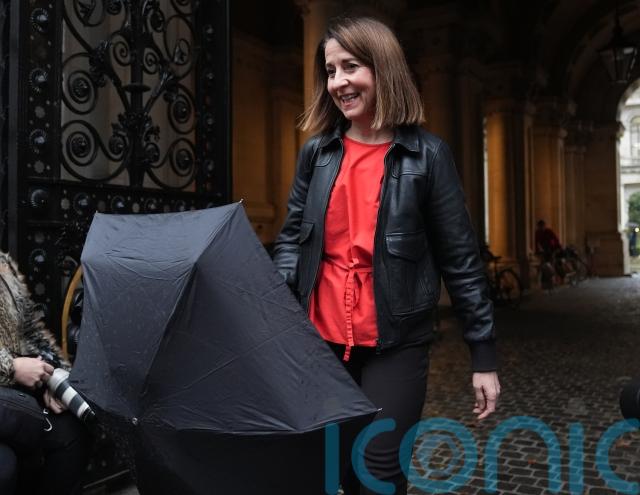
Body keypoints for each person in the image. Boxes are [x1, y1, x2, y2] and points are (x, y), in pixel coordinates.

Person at [272, 17, 500, 494]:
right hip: (321, 342)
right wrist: (280, 309)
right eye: (330, 71)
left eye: (350, 67)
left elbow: (460, 259)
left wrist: (482, 354)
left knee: (378, 472)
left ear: (383, 68)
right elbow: (292, 239)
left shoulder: (428, 155)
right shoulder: (316, 154)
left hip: (396, 341)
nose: (338, 82)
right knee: (332, 471)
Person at [0, 252, 90, 495]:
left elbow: (30, 331)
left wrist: (52, 377)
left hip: (15, 392)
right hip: (9, 391)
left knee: (71, 431)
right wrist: (10, 367)